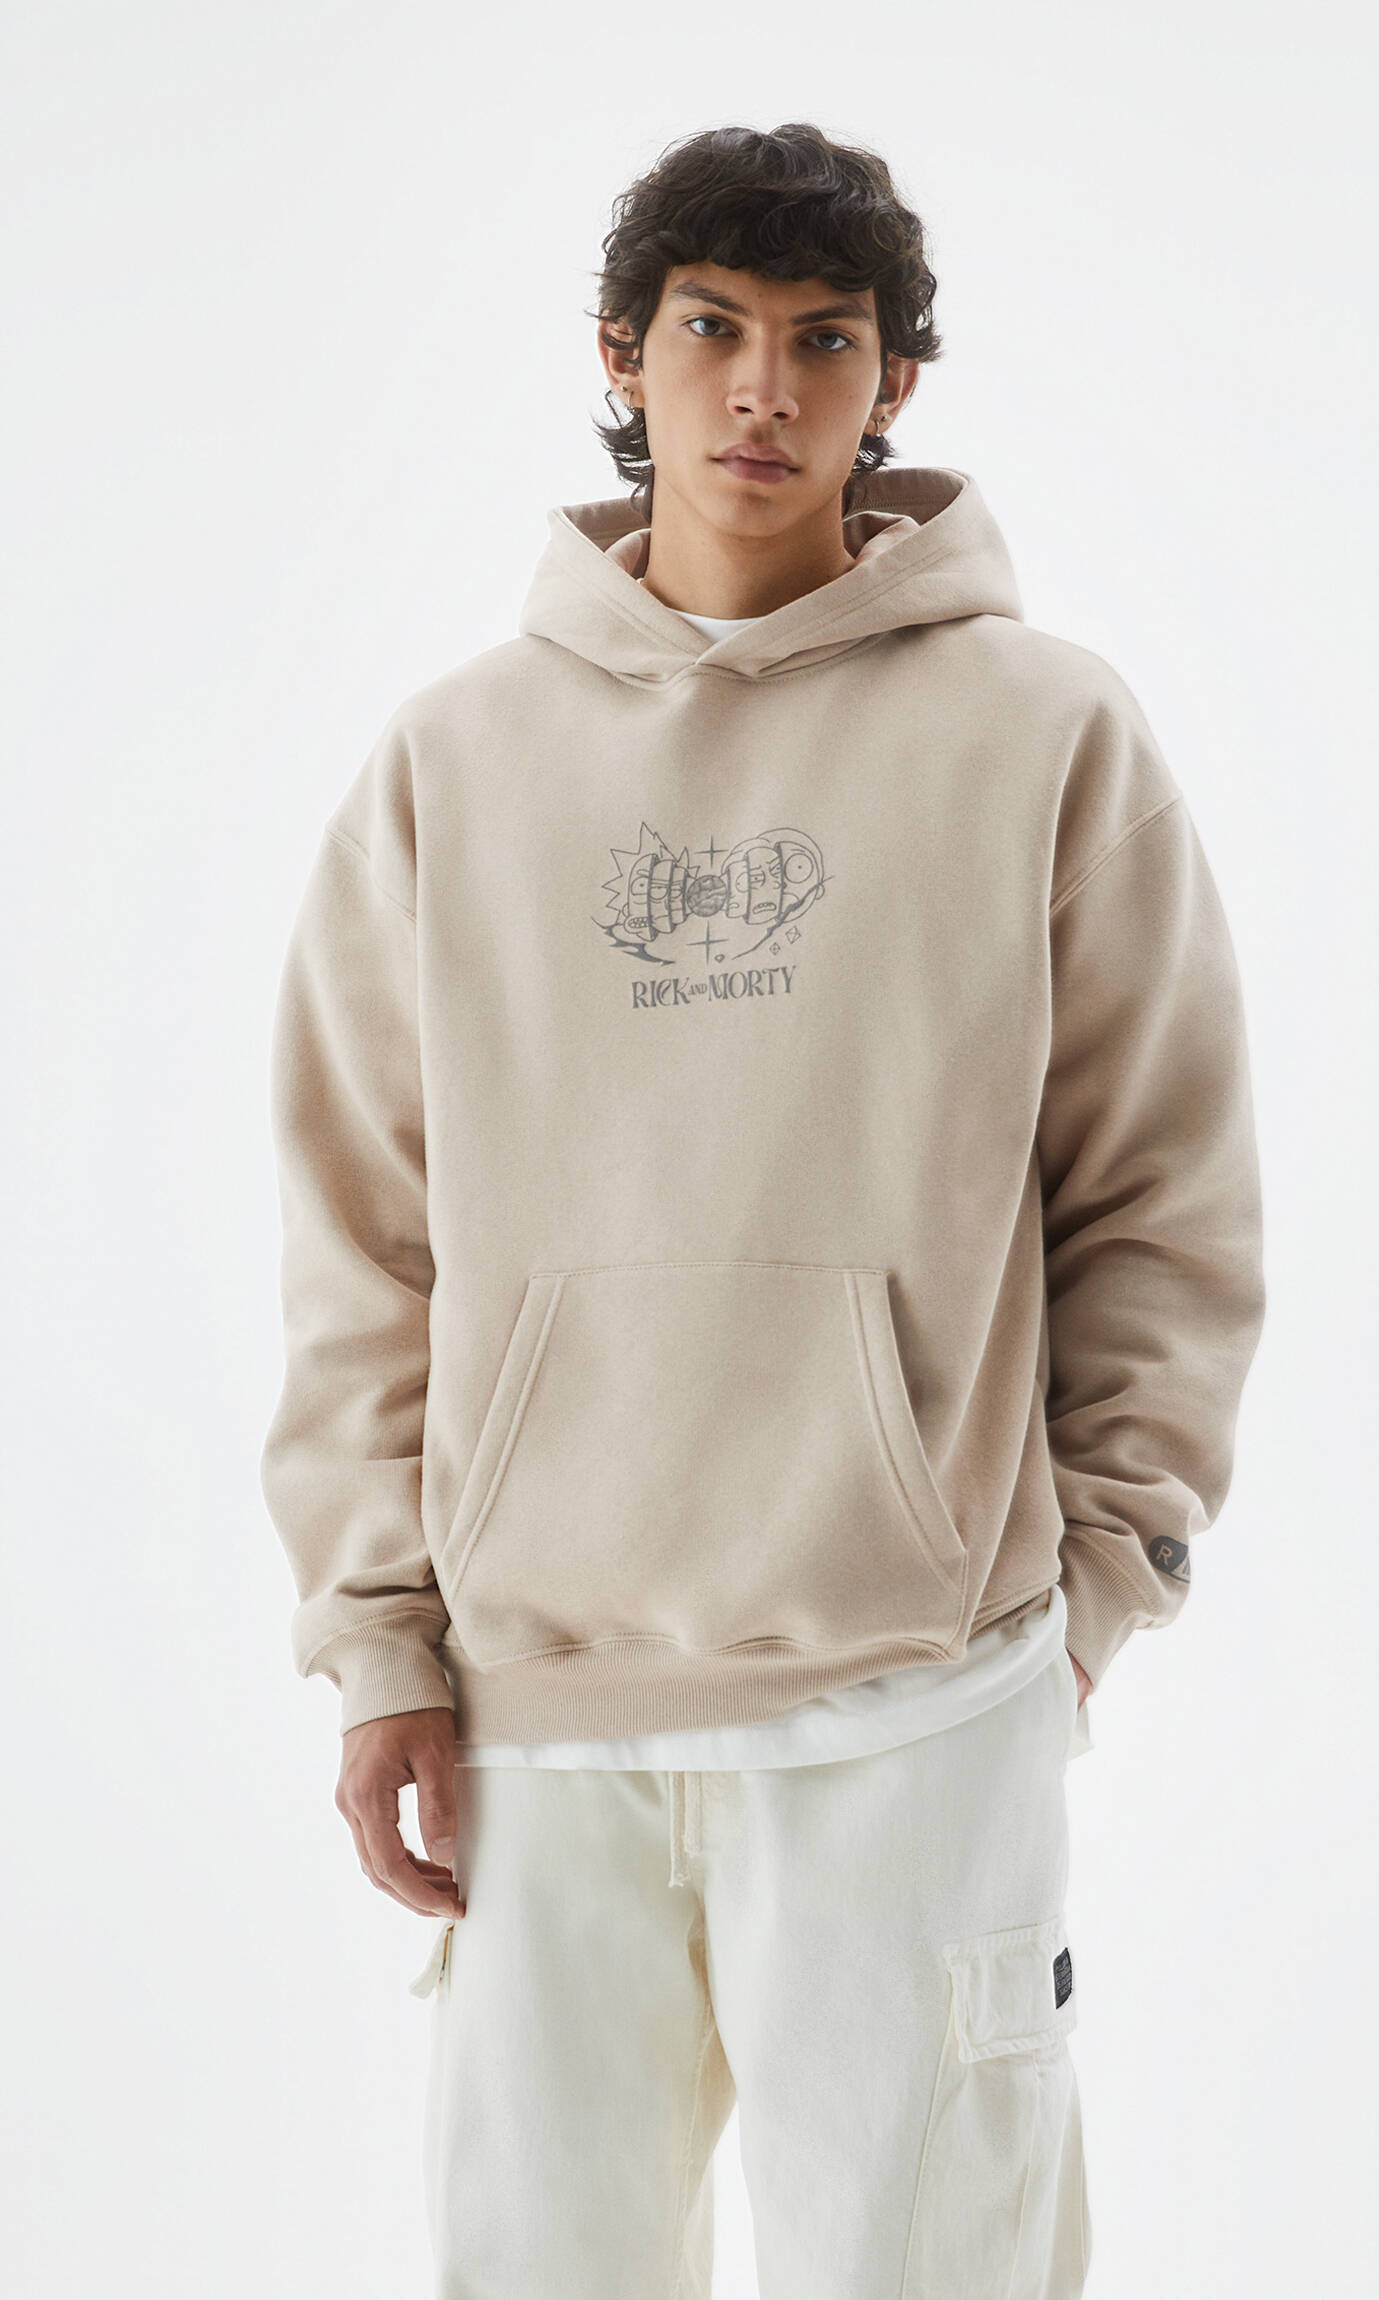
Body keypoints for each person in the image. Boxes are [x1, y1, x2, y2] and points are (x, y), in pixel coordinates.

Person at [259, 119, 1265, 2299]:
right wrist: (378, 1647)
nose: (761, 390)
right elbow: (364, 1245)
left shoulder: (1044, 734)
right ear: (618, 355)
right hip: (542, 1706)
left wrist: (1098, 1582)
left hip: (918, 1696)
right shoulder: (452, 763)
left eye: (824, 340)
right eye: (711, 328)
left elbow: (1159, 1196)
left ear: (890, 381)